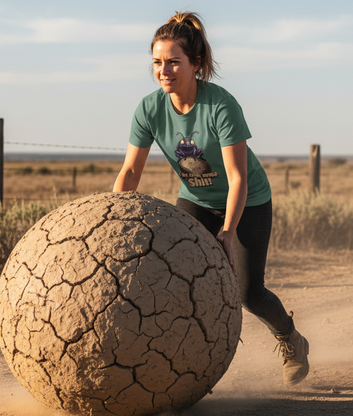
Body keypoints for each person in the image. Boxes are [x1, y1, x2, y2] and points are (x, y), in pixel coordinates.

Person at [113, 11, 309, 386]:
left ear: (196, 63)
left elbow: (237, 178)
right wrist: (109, 219)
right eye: (157, 62)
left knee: (248, 293)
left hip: (247, 202)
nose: (163, 70)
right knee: (177, 278)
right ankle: (179, 365)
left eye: (173, 62)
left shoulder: (221, 105)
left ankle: (291, 339)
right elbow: (130, 173)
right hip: (195, 201)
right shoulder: (149, 109)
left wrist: (228, 230)